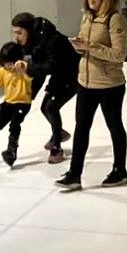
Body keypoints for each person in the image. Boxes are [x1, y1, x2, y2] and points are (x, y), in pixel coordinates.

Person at [57, 0, 127, 192]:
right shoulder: (87, 17)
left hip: (110, 85)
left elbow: (119, 54)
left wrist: (91, 48)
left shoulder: (115, 19)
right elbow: (86, 46)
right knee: (81, 129)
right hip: (86, 83)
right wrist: (79, 46)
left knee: (115, 127)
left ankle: (120, 170)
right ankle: (74, 174)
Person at [11, 11, 77, 164]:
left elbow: (49, 67)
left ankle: (57, 148)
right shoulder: (34, 42)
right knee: (45, 107)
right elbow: (40, 70)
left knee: (51, 106)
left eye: (19, 33)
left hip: (73, 73)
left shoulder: (51, 40)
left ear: (28, 30)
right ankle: (58, 133)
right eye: (14, 33)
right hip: (60, 73)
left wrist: (29, 69)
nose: (16, 37)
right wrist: (29, 95)